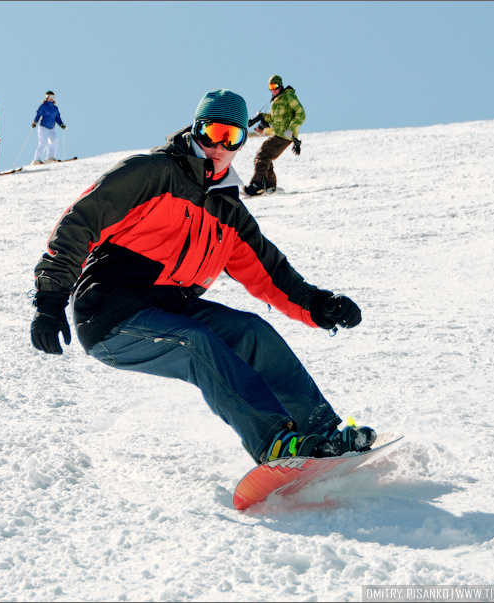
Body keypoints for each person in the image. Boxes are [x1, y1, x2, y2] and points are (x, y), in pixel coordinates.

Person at [29, 88, 375, 465]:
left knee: (251, 332)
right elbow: (80, 221)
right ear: (196, 130)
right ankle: (273, 443)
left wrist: (319, 304)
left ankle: (321, 433)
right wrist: (50, 298)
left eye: (232, 137)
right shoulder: (152, 173)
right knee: (196, 343)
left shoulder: (229, 209)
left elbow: (271, 274)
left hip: (172, 309)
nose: (219, 146)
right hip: (111, 314)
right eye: (213, 133)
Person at [244, 75, 305, 196]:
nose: (273, 89)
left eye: (275, 86)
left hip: (285, 135)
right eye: (271, 87)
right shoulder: (276, 101)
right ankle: (270, 186)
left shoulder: (288, 96)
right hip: (279, 134)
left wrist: (291, 130)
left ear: (280, 85)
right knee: (265, 156)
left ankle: (257, 185)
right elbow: (272, 119)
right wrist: (261, 117)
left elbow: (301, 113)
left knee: (262, 155)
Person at [31, 91, 66, 165]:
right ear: (46, 97)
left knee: (54, 141)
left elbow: (57, 117)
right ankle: (36, 160)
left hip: (51, 128)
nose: (51, 99)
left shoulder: (55, 108)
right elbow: (38, 114)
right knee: (43, 143)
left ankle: (50, 158)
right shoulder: (43, 106)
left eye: (52, 97)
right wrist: (35, 122)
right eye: (49, 97)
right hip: (43, 127)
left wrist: (61, 124)